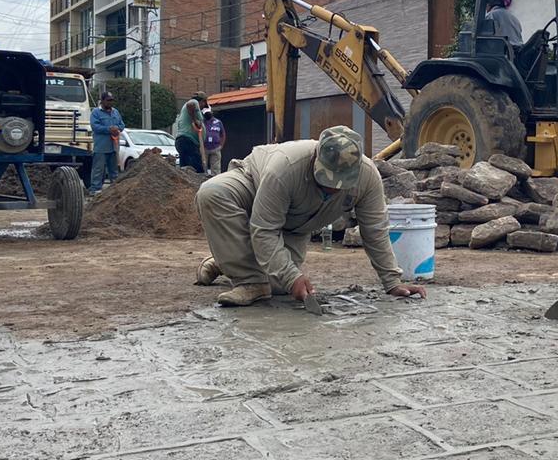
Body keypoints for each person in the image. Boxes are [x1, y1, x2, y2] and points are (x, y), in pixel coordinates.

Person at [194, 125, 427, 307]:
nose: (332, 189)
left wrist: (392, 282)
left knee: (281, 284)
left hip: (295, 225)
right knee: (212, 193)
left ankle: (226, 261)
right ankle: (248, 280)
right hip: (254, 185)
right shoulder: (285, 168)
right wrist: (289, 274)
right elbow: (264, 230)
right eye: (326, 180)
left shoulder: (368, 178)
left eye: (340, 183)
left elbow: (375, 230)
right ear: (316, 158)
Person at [88, 90, 124, 195]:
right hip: (101, 147)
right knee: (98, 169)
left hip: (113, 147)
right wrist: (109, 129)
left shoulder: (115, 112)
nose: (110, 102)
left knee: (114, 170)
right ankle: (95, 189)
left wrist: (117, 128)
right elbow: (95, 127)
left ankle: (115, 190)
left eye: (112, 100)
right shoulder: (96, 113)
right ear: (102, 101)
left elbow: (122, 125)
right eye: (108, 100)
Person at [174, 92, 207, 172]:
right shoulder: (194, 102)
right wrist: (195, 120)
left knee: (186, 170)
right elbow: (191, 104)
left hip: (184, 142)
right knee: (197, 169)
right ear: (202, 101)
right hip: (187, 141)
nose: (203, 107)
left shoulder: (191, 109)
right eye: (204, 104)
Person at [202, 106, 225, 175]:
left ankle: (215, 179)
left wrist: (221, 145)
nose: (207, 114)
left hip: (216, 147)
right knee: (203, 165)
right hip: (204, 148)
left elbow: (223, 134)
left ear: (211, 112)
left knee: (216, 167)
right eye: (206, 113)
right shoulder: (202, 122)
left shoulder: (218, 122)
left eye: (208, 112)